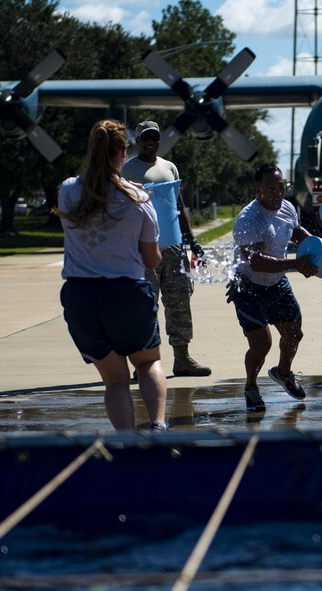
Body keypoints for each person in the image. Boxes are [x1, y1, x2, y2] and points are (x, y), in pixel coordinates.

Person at [55, 119, 168, 431]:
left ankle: (127, 442)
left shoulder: (67, 192)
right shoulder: (139, 199)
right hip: (126, 293)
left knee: (115, 380)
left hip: (81, 298)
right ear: (123, 152)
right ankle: (157, 426)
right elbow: (150, 259)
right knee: (147, 363)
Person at [122, 121, 211, 377]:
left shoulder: (169, 166)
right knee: (145, 305)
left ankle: (182, 359)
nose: (150, 142)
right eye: (145, 138)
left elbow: (178, 206)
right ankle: (145, 363)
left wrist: (191, 240)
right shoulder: (129, 170)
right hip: (143, 248)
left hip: (174, 248)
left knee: (180, 301)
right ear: (138, 141)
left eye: (155, 138)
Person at [227, 163, 318, 412]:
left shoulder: (288, 207)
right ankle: (251, 387)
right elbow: (255, 262)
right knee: (261, 345)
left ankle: (283, 373)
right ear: (258, 190)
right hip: (248, 287)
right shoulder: (249, 219)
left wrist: (318, 245)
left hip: (277, 283)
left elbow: (295, 231)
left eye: (281, 187)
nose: (278, 193)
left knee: (294, 335)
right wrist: (295, 264)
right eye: (271, 188)